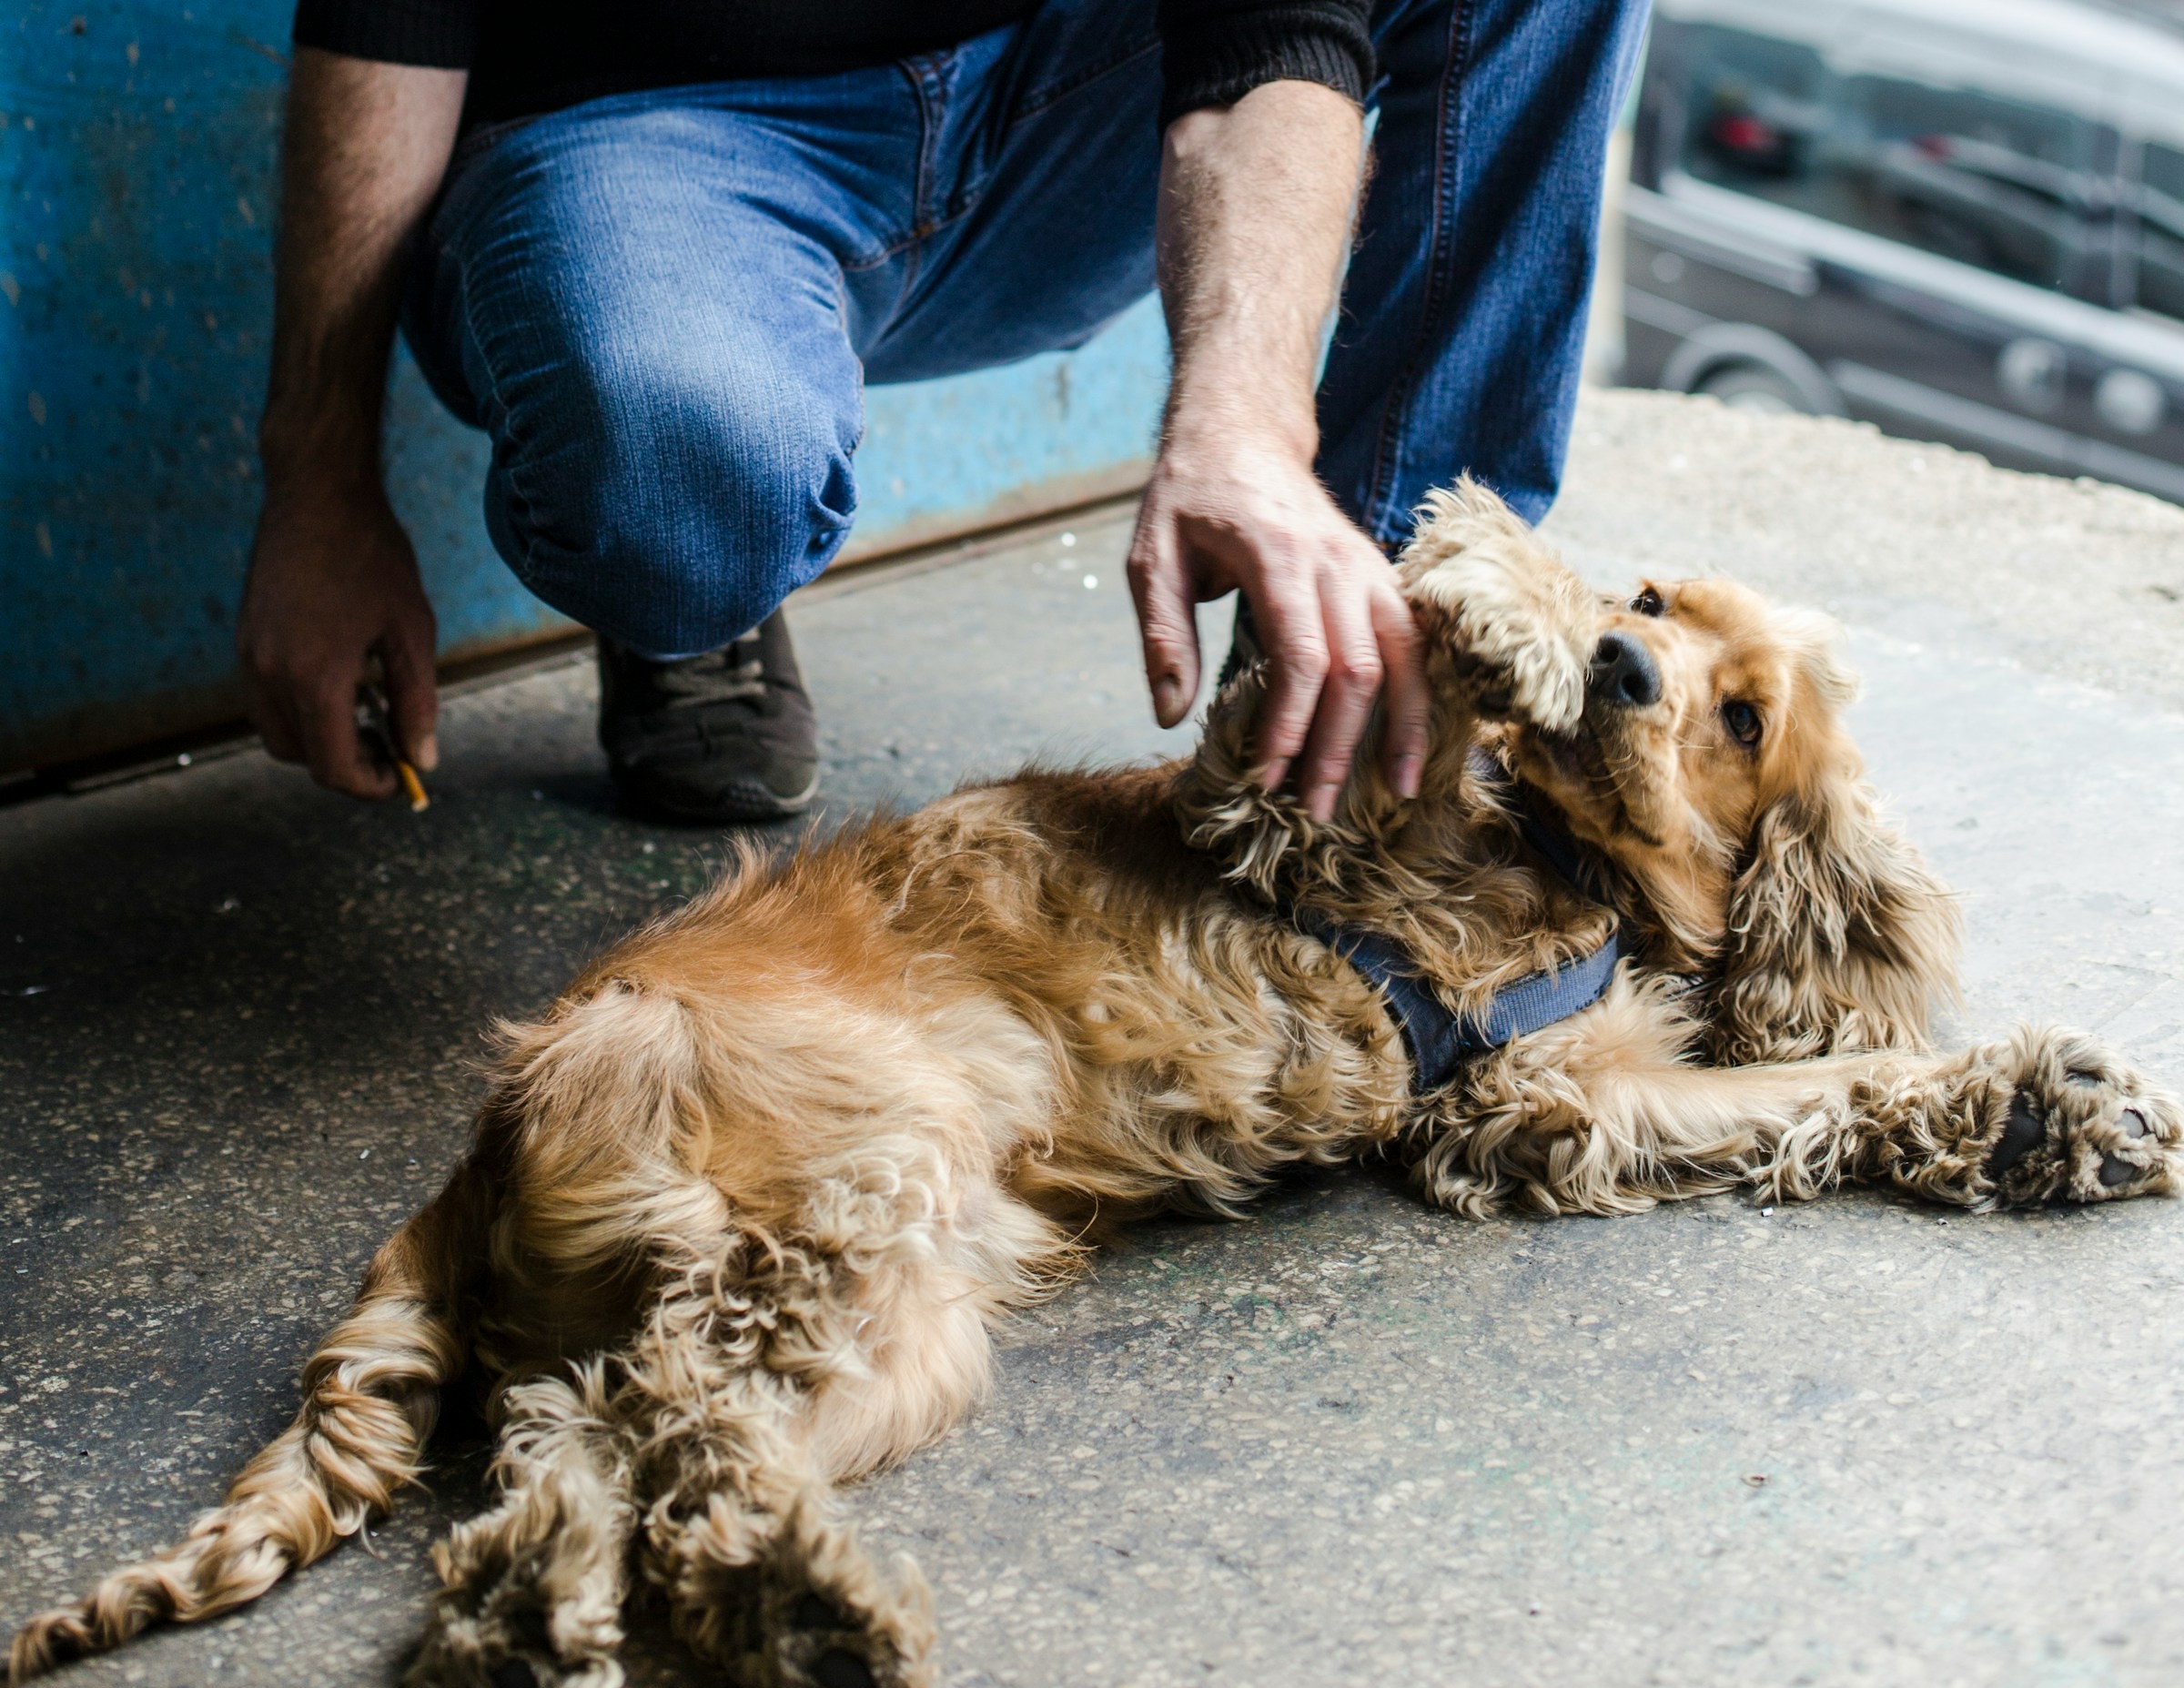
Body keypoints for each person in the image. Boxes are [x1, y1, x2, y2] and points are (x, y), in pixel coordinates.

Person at [237, 0, 1649, 825]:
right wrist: (318, 482)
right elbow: (390, 20)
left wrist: (1245, 427)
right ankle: (729, 500)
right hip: (663, 133)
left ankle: (1383, 682)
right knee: (682, 484)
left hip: (1053, 101)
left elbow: (1276, 28)